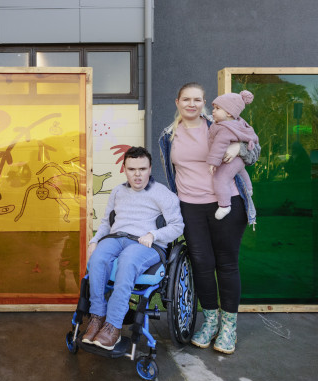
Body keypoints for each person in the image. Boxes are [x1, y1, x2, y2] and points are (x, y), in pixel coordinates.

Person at [158, 82, 260, 354]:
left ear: (204, 103)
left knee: (226, 264)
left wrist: (240, 149)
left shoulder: (220, 124)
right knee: (202, 264)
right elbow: (172, 175)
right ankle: (210, 322)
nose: (192, 104)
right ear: (177, 102)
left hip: (226, 204)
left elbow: (255, 151)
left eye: (197, 99)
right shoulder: (168, 136)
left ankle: (229, 328)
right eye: (186, 99)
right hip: (190, 208)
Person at [82, 146, 184, 351]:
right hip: (116, 237)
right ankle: (97, 317)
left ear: (150, 168)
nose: (137, 174)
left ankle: (113, 326)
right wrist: (95, 241)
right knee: (97, 258)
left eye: (142, 169)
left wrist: (153, 235)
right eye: (132, 169)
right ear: (124, 169)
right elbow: (105, 222)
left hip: (146, 243)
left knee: (127, 261)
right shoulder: (118, 191)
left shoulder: (162, 193)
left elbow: (177, 225)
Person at [207, 90, 259, 220]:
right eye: (214, 108)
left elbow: (219, 146)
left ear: (229, 113)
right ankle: (249, 189)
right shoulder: (239, 123)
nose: (213, 111)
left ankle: (224, 205)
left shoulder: (224, 128)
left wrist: (213, 162)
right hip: (238, 160)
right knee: (241, 170)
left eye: (218, 108)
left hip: (231, 159)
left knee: (220, 178)